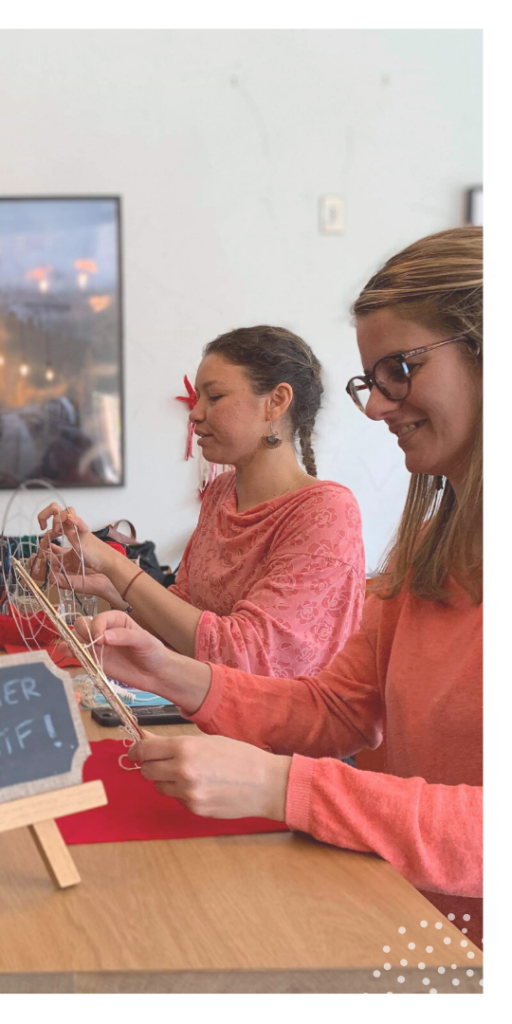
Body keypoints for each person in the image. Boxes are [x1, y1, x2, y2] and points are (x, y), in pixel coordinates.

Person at [75, 228, 483, 944]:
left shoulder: (327, 512)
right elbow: (338, 706)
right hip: (397, 912)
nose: (378, 407)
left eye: (400, 369)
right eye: (371, 380)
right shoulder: (429, 548)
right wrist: (170, 672)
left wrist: (281, 786)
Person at [41, 326, 366, 677]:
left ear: (276, 401)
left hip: (268, 731)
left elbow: (247, 656)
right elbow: (187, 611)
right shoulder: (222, 493)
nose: (195, 413)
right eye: (198, 399)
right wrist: (109, 583)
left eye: (214, 397)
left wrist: (116, 565)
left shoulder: (326, 511)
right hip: (204, 719)